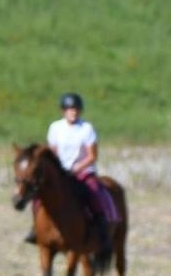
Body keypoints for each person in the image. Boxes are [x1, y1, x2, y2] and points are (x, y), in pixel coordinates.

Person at [41, 91, 118, 248]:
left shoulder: (86, 129)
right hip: (62, 174)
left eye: (76, 109)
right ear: (64, 111)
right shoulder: (55, 128)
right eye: (70, 109)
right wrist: (58, 170)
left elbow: (92, 156)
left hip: (83, 171)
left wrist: (77, 168)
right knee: (40, 194)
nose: (73, 112)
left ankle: (102, 225)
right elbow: (53, 153)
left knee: (94, 191)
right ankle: (37, 229)